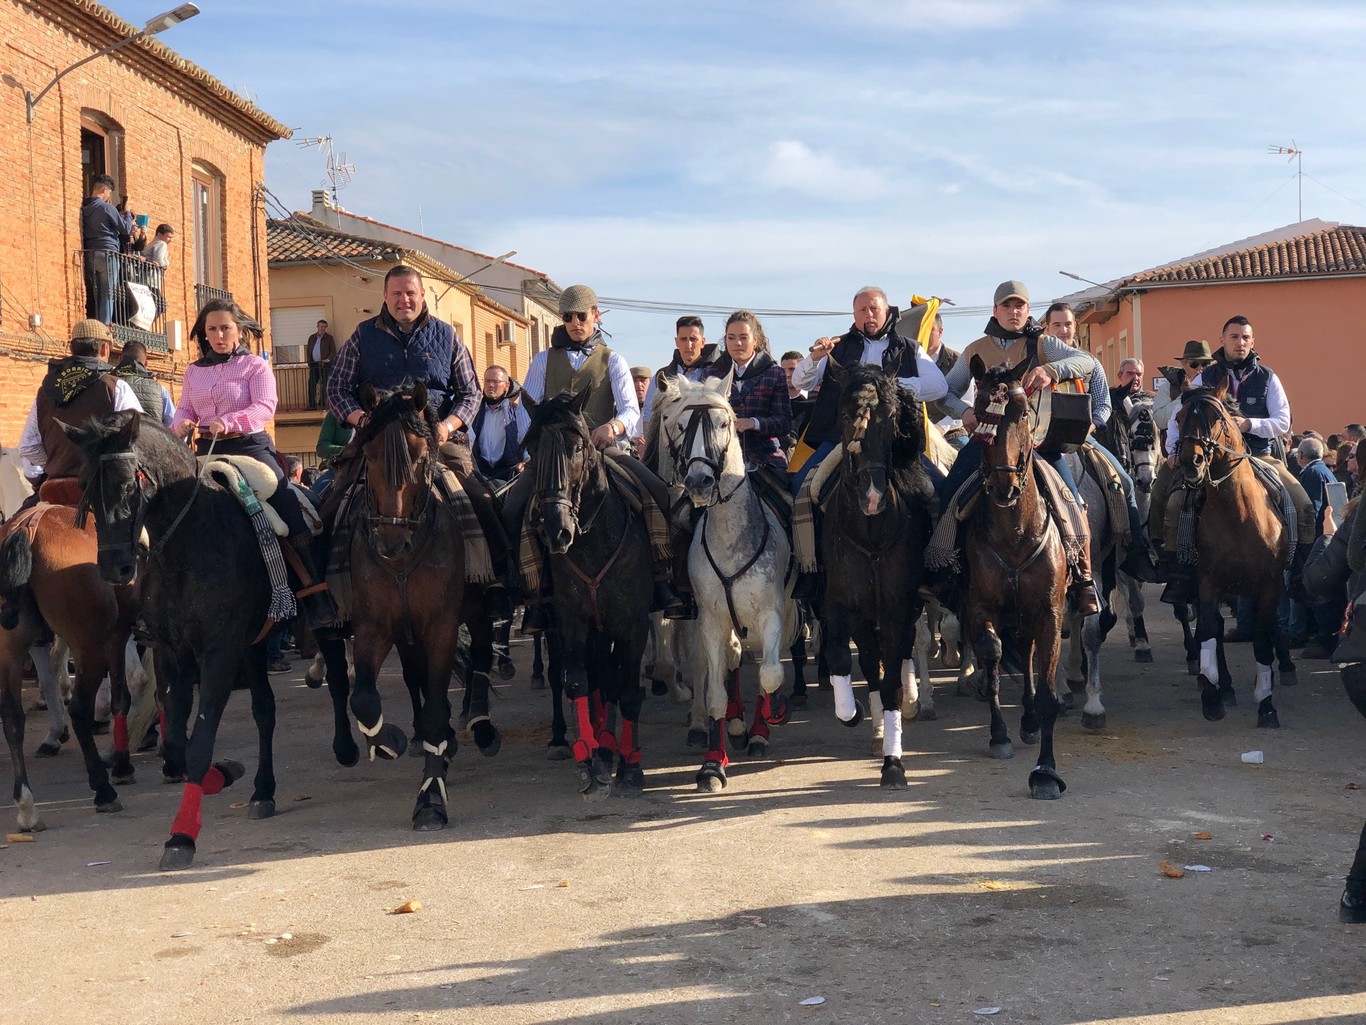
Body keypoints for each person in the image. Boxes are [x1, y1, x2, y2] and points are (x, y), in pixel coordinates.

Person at [516, 284, 689, 620]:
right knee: (512, 506)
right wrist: (535, 448)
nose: (575, 322)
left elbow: (631, 410)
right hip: (557, 454)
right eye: (568, 317)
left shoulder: (613, 359)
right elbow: (527, 410)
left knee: (655, 492)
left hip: (603, 448)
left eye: (582, 315)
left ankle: (662, 578)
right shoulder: (542, 360)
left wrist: (611, 428)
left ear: (595, 316)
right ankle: (530, 590)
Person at [936, 281, 1105, 614]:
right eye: (1007, 306)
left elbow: (1090, 364)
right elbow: (945, 392)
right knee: (949, 494)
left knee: (1072, 500)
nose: (1014, 312)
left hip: (1037, 442)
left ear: (1028, 311)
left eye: (1021, 306)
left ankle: (1084, 579)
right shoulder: (975, 349)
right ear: (995, 310)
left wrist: (1051, 369)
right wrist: (965, 411)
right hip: (985, 442)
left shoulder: (1044, 343)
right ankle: (945, 569)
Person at [173, 298, 333, 628]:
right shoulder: (193, 371)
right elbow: (186, 409)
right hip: (206, 450)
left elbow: (264, 407)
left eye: (225, 328)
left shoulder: (255, 366)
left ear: (240, 330)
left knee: (286, 501)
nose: (218, 335)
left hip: (250, 448)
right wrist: (181, 424)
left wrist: (229, 422)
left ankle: (315, 594)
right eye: (211, 329)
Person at [1157, 317, 1315, 607]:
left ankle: (1301, 577)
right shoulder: (1206, 378)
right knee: (1176, 504)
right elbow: (1180, 417)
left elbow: (1282, 421)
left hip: (1261, 455)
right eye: (1234, 337)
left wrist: (1249, 425)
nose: (1239, 342)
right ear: (1222, 340)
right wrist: (1172, 450)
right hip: (1215, 462)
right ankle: (1178, 572)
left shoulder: (1268, 377)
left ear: (1252, 342)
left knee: (1302, 504)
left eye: (1245, 337)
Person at [790, 285, 948, 492]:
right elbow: (800, 382)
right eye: (862, 310)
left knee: (940, 489)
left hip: (896, 440)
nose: (869, 315)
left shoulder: (910, 348)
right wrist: (814, 358)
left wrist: (889, 387)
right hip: (841, 439)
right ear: (854, 314)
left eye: (874, 309)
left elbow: (939, 386)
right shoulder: (836, 348)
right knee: (799, 486)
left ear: (887, 311)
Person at [1042, 302, 1155, 581]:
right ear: (1046, 329)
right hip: (1038, 442)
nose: (1063, 330)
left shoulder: (1089, 362)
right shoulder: (1038, 361)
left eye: (1068, 325)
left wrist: (1092, 424)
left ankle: (1134, 551)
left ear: (1075, 328)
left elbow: (1103, 403)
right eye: (1057, 325)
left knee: (1125, 483)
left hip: (1081, 440)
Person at [18, 320, 142, 495]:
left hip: (55, 488)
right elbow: (140, 438)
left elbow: (27, 446)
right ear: (104, 349)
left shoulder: (44, 391)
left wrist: (57, 463)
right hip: (103, 491)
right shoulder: (116, 387)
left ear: (71, 349)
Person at [702, 310, 792, 483]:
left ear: (755, 340)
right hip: (718, 458)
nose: (737, 343)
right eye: (731, 337)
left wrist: (754, 423)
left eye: (743, 337)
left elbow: (784, 422)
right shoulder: (711, 373)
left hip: (764, 456)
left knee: (789, 501)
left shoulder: (774, 373)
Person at [641, 315, 719, 428]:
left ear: (702, 342)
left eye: (693, 339)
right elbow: (649, 415)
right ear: (676, 341)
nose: (688, 345)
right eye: (683, 339)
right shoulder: (663, 376)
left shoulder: (716, 374)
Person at [80, 174, 132, 325]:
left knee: (93, 293)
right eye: (109, 192)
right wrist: (127, 213)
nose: (109, 195)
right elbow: (125, 229)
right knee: (108, 294)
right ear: (103, 189)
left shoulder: (85, 207)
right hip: (108, 254)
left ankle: (93, 322)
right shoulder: (107, 208)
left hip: (90, 255)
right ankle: (104, 326)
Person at [471, 364, 529, 489]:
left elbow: (526, 441)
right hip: (479, 473)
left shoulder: (518, 413)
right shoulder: (473, 412)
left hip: (510, 475)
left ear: (506, 386)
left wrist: (526, 462)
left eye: (496, 381)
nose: (490, 385)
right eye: (487, 381)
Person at [111, 341, 174, 426]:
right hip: (153, 438)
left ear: (120, 359)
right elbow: (173, 425)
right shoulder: (160, 390)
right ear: (146, 363)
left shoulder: (108, 385)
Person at [922, 313, 961, 427]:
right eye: (922, 329)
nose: (925, 334)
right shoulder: (907, 360)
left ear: (940, 332)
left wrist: (941, 428)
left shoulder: (958, 361)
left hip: (951, 432)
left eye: (930, 329)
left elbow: (967, 403)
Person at [307, 320, 336, 410]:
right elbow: (308, 350)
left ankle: (322, 403)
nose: (322, 328)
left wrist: (328, 359)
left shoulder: (329, 338)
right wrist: (309, 361)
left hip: (325, 365)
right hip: (314, 365)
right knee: (312, 384)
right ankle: (312, 404)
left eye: (324, 327)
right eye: (321, 326)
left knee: (325, 384)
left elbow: (333, 351)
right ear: (317, 327)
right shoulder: (312, 337)